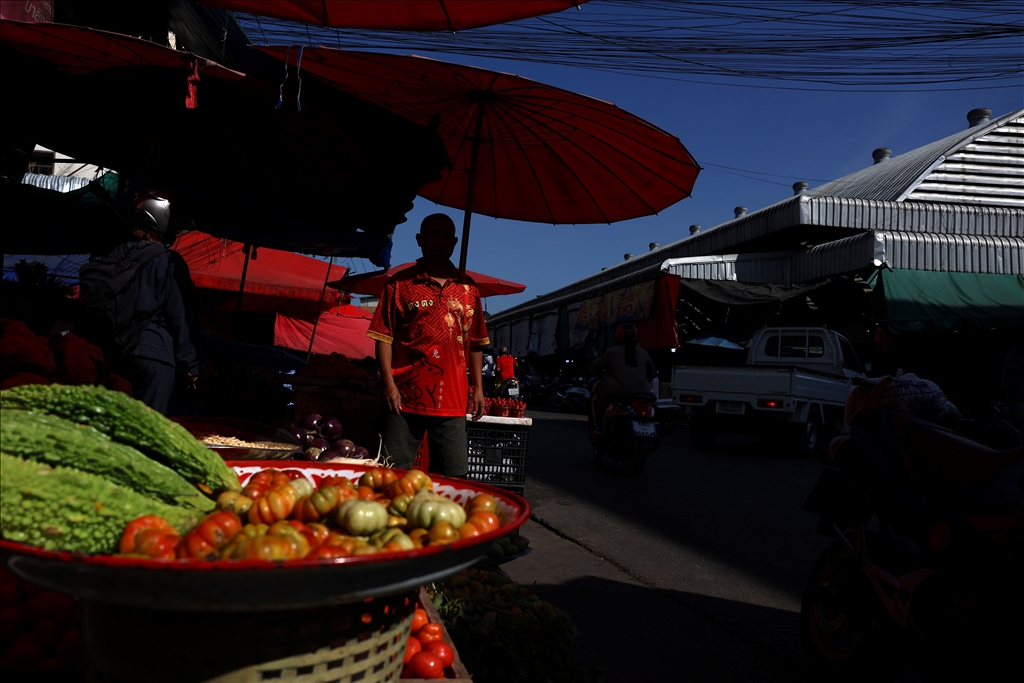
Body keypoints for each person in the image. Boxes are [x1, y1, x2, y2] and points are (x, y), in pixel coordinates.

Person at [367, 213, 489, 476]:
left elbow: (476, 343)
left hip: (453, 400)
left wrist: (478, 388)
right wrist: (388, 385)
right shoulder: (399, 285)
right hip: (403, 399)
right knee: (391, 474)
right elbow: (383, 337)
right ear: (420, 240)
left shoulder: (469, 290)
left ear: (455, 242)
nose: (441, 241)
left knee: (453, 477)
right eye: (434, 234)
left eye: (447, 236)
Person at [97, 193, 200, 415]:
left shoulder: (115, 254)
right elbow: (181, 315)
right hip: (154, 357)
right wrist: (190, 363)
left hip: (114, 355)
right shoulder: (169, 261)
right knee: (146, 431)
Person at [588, 323, 656, 432]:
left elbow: (593, 367)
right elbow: (651, 375)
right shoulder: (644, 353)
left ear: (617, 337)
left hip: (616, 394)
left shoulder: (611, 352)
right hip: (643, 394)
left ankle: (599, 427)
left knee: (597, 401)